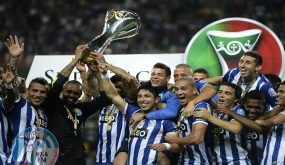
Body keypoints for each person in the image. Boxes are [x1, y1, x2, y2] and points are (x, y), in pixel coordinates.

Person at [43, 45, 112, 165]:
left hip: (77, 160)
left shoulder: (80, 109)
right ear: (62, 92)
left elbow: (104, 99)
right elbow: (57, 84)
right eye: (68, 92)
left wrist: (97, 73)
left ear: (80, 95)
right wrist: (75, 60)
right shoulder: (53, 104)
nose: (71, 95)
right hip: (54, 159)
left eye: (76, 93)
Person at [98, 66, 177, 164]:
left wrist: (165, 146)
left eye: (147, 96)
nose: (142, 100)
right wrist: (104, 74)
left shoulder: (166, 121)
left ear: (156, 99)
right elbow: (112, 95)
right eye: (139, 96)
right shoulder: (134, 113)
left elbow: (178, 146)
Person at [152, 77, 212, 164]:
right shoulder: (182, 108)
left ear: (194, 90)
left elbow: (197, 138)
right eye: (176, 89)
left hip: (199, 162)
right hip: (183, 161)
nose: (179, 92)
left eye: (183, 89)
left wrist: (176, 139)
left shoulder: (200, 106)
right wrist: (166, 146)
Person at [194, 82, 249, 164]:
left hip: (236, 161)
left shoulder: (238, 110)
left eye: (227, 93)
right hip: (217, 161)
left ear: (236, 99)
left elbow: (236, 128)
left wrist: (209, 117)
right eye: (220, 92)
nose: (222, 95)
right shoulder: (217, 111)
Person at [205, 51, 277, 111]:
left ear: (258, 67)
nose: (242, 65)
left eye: (248, 63)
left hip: (250, 119)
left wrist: (262, 122)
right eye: (241, 61)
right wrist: (200, 82)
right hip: (231, 113)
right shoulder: (233, 72)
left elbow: (277, 108)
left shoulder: (264, 86)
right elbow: (220, 80)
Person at [255, 81, 285, 164]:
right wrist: (278, 108)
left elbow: (271, 122)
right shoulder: (279, 110)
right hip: (270, 157)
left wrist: (253, 122)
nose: (277, 94)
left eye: (282, 92)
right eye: (278, 91)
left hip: (280, 159)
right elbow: (262, 119)